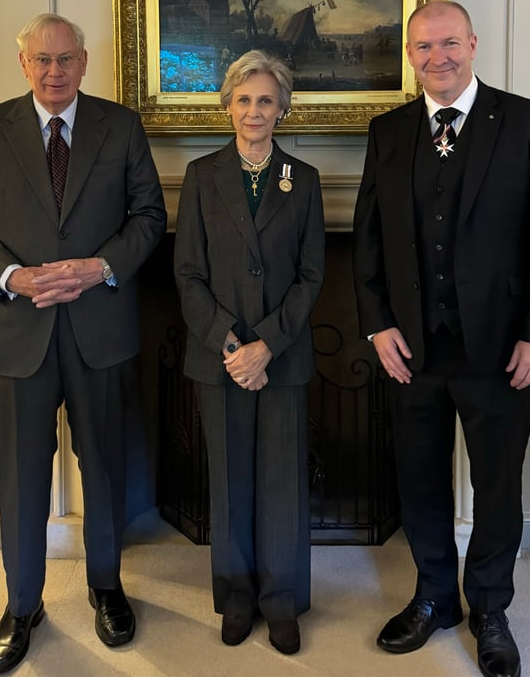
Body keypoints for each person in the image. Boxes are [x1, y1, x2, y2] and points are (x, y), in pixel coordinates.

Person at [352, 0, 530, 677]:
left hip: (502, 349)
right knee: (418, 480)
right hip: (412, 349)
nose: (436, 56)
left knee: (498, 485)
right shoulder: (388, 131)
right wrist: (377, 321)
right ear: (411, 55)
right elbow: (368, 237)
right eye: (423, 46)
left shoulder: (529, 120)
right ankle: (433, 597)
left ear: (472, 43)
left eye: (448, 42)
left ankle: (489, 608)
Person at [0, 13, 166, 674]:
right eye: (41, 60)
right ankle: (21, 605)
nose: (54, 71)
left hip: (101, 329)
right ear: (24, 64)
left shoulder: (120, 126)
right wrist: (13, 275)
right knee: (20, 473)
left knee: (104, 466)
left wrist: (99, 266)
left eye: (65, 58)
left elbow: (149, 214)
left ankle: (106, 586)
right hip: (15, 333)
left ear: (84, 60)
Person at [173, 49, 325, 655]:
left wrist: (267, 345)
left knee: (282, 485)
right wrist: (233, 344)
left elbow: (312, 276)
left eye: (266, 100)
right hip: (220, 357)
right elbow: (186, 274)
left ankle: (281, 601)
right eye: (244, 99)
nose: (254, 110)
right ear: (227, 107)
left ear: (282, 108)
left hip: (282, 359)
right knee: (230, 482)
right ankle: (236, 597)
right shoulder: (202, 175)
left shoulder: (304, 180)